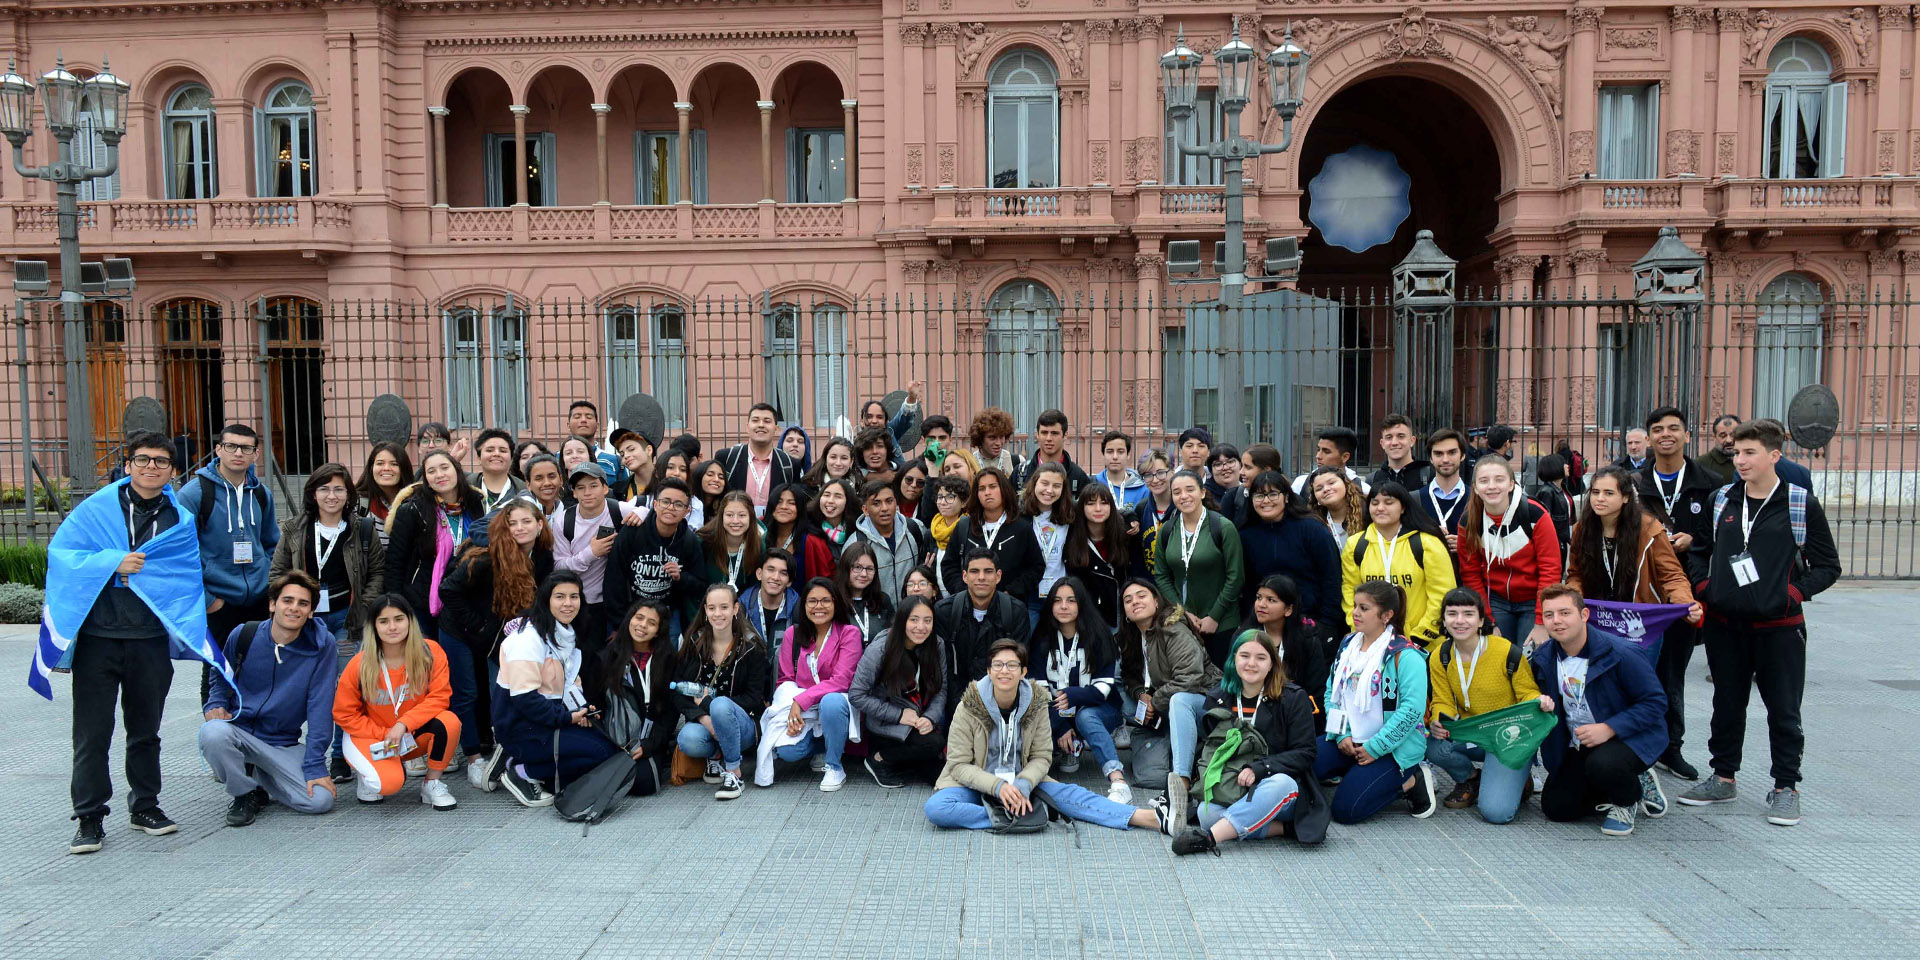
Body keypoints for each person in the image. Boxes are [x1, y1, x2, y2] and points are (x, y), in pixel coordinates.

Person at [44, 432, 217, 853]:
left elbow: (184, 574)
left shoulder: (180, 520)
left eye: (161, 461)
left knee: (146, 731)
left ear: (174, 471)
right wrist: (111, 561)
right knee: (92, 733)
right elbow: (61, 554)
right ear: (127, 465)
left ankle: (145, 806)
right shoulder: (97, 510)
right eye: (142, 459)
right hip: (98, 640)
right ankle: (88, 817)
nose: (150, 467)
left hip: (149, 639)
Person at [1677, 419, 1840, 826]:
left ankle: (1786, 786)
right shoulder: (1721, 500)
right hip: (1725, 625)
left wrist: (1793, 595)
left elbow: (1828, 565)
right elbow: (1698, 550)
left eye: (1750, 453)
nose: (1740, 460)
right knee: (1726, 704)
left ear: (1773, 456)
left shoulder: (1799, 503)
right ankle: (1723, 776)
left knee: (1783, 710)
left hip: (1779, 628)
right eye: (1736, 452)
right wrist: (1705, 585)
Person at [925, 639, 1163, 833]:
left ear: (1023, 671)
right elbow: (958, 765)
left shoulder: (1037, 703)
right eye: (997, 665)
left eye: (1012, 665)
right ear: (988, 671)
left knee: (1073, 795)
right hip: (975, 781)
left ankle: (1148, 817)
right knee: (937, 808)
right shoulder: (968, 706)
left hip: (1022, 780)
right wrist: (997, 787)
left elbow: (1041, 758)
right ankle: (1027, 813)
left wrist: (1022, 784)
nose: (1004, 671)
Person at [268, 463, 386, 782]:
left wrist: (362, 607)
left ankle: (338, 757)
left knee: (344, 689)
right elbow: (277, 573)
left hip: (346, 620)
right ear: (313, 493)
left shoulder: (361, 528)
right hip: (302, 621)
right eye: (324, 489)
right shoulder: (294, 528)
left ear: (348, 494)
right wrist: (290, 605)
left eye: (338, 489)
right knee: (302, 687)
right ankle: (293, 752)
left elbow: (376, 572)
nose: (331, 496)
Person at [1168, 630, 1329, 855]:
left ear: (1272, 663)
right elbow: (1211, 750)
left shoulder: (1293, 697)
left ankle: (1210, 839)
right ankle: (1282, 829)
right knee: (1206, 815)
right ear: (1234, 660)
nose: (1251, 664)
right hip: (1234, 785)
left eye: (1261, 658)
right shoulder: (1219, 697)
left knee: (1283, 784)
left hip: (1277, 785)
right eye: (1244, 656)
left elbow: (1306, 753)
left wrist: (1261, 769)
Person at [199, 571, 339, 825]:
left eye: (303, 603)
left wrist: (315, 764)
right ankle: (245, 792)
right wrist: (216, 704)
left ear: (310, 612)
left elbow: (320, 706)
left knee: (320, 801)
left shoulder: (322, 645)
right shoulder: (244, 634)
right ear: (273, 604)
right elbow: (220, 677)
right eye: (287, 600)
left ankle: (260, 774)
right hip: (239, 733)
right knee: (212, 733)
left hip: (281, 743)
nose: (294, 608)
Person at [1530, 585, 1670, 836]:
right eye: (1549, 615)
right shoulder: (1544, 657)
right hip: (1579, 742)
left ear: (1584, 615)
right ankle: (1621, 783)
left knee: (1604, 764)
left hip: (1627, 738)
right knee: (1557, 808)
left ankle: (1627, 799)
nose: (1556, 621)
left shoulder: (1621, 653)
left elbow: (1655, 703)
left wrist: (1609, 728)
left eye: (1564, 613)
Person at [1633, 406, 1724, 780]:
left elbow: (1727, 536)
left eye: (1673, 428)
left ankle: (1671, 748)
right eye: (1657, 429)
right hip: (1639, 597)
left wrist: (1696, 540)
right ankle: (1638, 745)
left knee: (1672, 674)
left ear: (1688, 436)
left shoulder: (1711, 483)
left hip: (1686, 595)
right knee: (1637, 672)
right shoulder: (1635, 483)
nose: (1665, 435)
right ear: (1650, 438)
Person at [440, 499, 555, 769]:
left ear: (540, 524)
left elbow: (538, 598)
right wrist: (477, 625)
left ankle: (509, 748)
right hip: (459, 628)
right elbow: (448, 590)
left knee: (503, 690)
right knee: (466, 693)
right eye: (512, 523)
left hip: (497, 635)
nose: (519, 528)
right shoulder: (487, 556)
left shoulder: (542, 555)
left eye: (526, 521)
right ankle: (473, 757)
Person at [489, 572, 619, 807]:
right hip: (522, 725)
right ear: (546, 600)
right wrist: (567, 717)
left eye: (574, 596)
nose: (568, 604)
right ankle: (521, 770)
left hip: (544, 720)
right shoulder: (527, 640)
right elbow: (525, 700)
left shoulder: (564, 632)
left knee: (607, 745)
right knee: (600, 754)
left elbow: (567, 683)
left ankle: (519, 758)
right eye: (560, 597)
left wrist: (582, 711)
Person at [1316, 581, 1438, 823]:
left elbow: (1412, 710)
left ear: (1386, 615)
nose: (1355, 613)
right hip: (1350, 739)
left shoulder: (1406, 655)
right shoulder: (1347, 644)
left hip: (1390, 748)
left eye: (1364, 608)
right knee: (1298, 766)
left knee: (1345, 811)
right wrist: (1342, 735)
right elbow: (1332, 692)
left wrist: (1375, 748)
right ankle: (1358, 772)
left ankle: (1412, 781)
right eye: (1355, 606)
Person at [1423, 588, 1548, 824]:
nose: (1460, 621)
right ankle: (1471, 778)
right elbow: (1443, 699)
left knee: (1496, 813)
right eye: (1452, 614)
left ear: (1481, 620)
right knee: (1434, 746)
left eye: (1468, 614)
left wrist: (1538, 700)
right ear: (1444, 620)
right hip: (1474, 732)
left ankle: (1520, 777)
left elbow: (1527, 692)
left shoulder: (1506, 651)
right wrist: (1440, 718)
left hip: (1508, 736)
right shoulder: (1441, 654)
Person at [179, 423, 281, 705]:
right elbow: (181, 552)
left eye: (246, 448)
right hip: (219, 600)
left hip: (259, 598)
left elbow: (272, 543)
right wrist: (209, 599)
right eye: (231, 446)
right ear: (218, 449)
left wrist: (270, 585)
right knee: (216, 669)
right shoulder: (195, 493)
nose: (238, 453)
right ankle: (216, 728)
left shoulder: (261, 494)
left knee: (259, 665)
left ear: (255, 454)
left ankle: (253, 727)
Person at [332, 595, 461, 809]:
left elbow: (439, 697)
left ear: (410, 620)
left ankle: (432, 783)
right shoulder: (359, 664)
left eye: (399, 619)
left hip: (408, 735)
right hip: (372, 737)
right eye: (384, 621)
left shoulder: (430, 652)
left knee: (449, 722)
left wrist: (402, 725)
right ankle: (367, 775)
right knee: (387, 785)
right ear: (373, 626)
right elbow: (343, 714)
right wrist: (383, 734)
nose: (392, 627)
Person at [1116, 578, 1218, 832]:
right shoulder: (1132, 637)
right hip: (1163, 704)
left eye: (1141, 596)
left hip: (1203, 701)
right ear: (1126, 614)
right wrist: (1141, 694)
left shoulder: (1172, 628)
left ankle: (1181, 784)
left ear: (1156, 600)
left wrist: (1156, 700)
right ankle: (1169, 750)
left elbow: (1190, 677)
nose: (1135, 602)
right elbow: (1130, 676)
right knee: (1148, 777)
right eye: (1128, 600)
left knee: (1179, 700)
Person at [1030, 578, 1130, 803]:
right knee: (1035, 710)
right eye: (1057, 601)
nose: (1063, 606)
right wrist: (1061, 724)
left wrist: (1072, 696)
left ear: (1082, 603)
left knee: (1086, 716)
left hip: (1098, 708)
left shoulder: (1099, 635)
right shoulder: (1041, 638)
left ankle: (1118, 781)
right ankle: (1066, 748)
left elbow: (1103, 689)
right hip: (1056, 711)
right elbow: (1039, 691)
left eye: (1071, 600)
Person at [760, 578, 863, 790]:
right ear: (804, 604)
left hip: (836, 703)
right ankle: (822, 748)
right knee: (788, 753)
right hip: (804, 709)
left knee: (831, 702)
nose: (819, 606)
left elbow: (841, 681)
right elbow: (785, 679)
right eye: (812, 601)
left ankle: (834, 766)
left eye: (826, 600)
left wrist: (802, 700)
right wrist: (791, 707)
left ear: (836, 603)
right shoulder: (793, 635)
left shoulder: (849, 633)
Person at [1565, 466, 1701, 625]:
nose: (1600, 498)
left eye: (1609, 493)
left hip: (1640, 621)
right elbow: (1575, 574)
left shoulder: (1650, 529)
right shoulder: (1581, 529)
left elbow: (1671, 575)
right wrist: (1573, 598)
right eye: (1595, 492)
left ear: (1626, 497)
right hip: (1598, 618)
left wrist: (1685, 603)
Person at [673, 583, 770, 800]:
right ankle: (716, 755)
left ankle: (734, 771)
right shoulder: (694, 642)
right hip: (707, 723)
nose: (718, 614)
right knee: (688, 739)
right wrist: (703, 718)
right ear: (705, 611)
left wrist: (709, 705)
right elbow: (678, 690)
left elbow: (755, 699)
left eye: (724, 607)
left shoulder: (751, 647)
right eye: (712, 608)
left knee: (720, 704)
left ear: (736, 609)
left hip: (742, 726)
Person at [1458, 454, 1562, 647]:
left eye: (1499, 480)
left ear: (1511, 484)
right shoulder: (1468, 522)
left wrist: (1541, 620)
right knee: (1499, 659)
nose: (1491, 486)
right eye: (1484, 481)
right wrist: (1487, 619)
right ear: (1475, 488)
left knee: (1529, 660)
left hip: (1533, 601)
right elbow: (1470, 574)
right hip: (1495, 601)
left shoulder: (1535, 514)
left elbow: (1550, 569)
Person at [383, 448, 484, 642]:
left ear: (456, 470)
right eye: (431, 471)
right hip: (422, 600)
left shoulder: (475, 504)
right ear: (425, 478)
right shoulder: (412, 509)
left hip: (466, 597)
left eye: (444, 467)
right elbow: (395, 562)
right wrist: (395, 605)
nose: (439, 475)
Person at [1341, 482, 1456, 647]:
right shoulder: (1355, 545)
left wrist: (1419, 637)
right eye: (1375, 503)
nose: (1380, 508)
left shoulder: (1427, 543)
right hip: (1372, 642)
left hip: (1422, 645)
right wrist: (1361, 629)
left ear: (1403, 507)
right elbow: (1350, 593)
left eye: (1389, 502)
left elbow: (1442, 594)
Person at [851, 596, 949, 788]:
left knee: (941, 778)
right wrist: (899, 715)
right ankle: (878, 758)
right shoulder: (881, 649)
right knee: (933, 744)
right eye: (914, 619)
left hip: (920, 721)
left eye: (927, 620)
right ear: (902, 619)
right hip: (888, 724)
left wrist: (930, 718)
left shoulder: (936, 644)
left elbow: (941, 688)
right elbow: (857, 694)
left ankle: (904, 763)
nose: (921, 627)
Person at [583, 601, 678, 797]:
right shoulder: (606, 657)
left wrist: (650, 744)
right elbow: (596, 704)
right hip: (614, 737)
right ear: (629, 620)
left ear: (659, 631)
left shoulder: (668, 659)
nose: (642, 625)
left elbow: (670, 712)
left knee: (645, 783)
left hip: (647, 738)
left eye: (652, 623)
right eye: (639, 618)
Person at [1155, 469, 1245, 665]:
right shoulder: (1167, 530)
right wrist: (1183, 612)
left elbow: (1235, 576)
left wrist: (1214, 616)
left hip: (1222, 622)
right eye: (1177, 492)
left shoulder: (1222, 527)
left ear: (1202, 492)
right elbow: (1161, 575)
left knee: (1221, 683)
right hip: (1184, 622)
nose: (1184, 496)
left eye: (1190, 490)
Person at [1238, 471, 1341, 635]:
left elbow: (1332, 578)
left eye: (1273, 494)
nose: (1266, 501)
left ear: (1286, 497)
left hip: (1310, 624)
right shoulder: (1246, 536)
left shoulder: (1312, 529)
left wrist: (1327, 625)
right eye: (1259, 495)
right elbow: (1247, 585)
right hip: (1263, 627)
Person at [604, 477, 709, 635]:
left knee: (667, 657)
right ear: (655, 504)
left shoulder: (689, 541)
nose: (671, 508)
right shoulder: (633, 531)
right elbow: (614, 577)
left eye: (678, 504)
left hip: (666, 613)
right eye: (665, 501)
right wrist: (618, 624)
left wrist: (681, 577)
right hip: (631, 610)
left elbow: (701, 584)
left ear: (687, 511)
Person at [549, 463, 639, 634]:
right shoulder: (563, 521)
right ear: (574, 493)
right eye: (580, 488)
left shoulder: (618, 509)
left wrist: (641, 513)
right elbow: (558, 567)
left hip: (616, 601)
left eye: (593, 486)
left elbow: (650, 513)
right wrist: (591, 553)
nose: (587, 492)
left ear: (605, 488)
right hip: (581, 602)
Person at [933, 548, 1033, 690]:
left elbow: (1018, 665)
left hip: (1001, 697)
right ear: (964, 576)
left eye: (988, 571)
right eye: (974, 571)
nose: (981, 577)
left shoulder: (1016, 611)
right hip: (956, 699)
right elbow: (943, 669)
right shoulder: (945, 611)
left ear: (998, 576)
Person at [938, 468, 1042, 602]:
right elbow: (949, 565)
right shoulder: (964, 526)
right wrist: (965, 592)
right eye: (981, 488)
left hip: (1009, 607)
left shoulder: (1021, 528)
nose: (987, 493)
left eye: (993, 487)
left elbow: (1035, 567)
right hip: (969, 606)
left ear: (1004, 489)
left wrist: (1011, 592)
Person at [1249, 574, 1330, 732]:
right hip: (1251, 716)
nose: (1261, 604)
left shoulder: (1307, 642)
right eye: (1259, 598)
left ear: (1288, 609)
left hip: (1296, 719)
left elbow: (1316, 692)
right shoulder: (1245, 638)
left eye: (1271, 600)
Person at [852, 479, 932, 604]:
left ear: (896, 503)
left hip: (913, 612)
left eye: (889, 501)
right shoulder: (855, 543)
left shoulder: (915, 529)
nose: (884, 508)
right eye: (876, 503)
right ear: (865, 510)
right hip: (877, 616)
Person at [1063, 483, 1132, 628]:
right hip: (1086, 616)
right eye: (1091, 503)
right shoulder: (1071, 537)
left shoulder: (1124, 534)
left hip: (1119, 612)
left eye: (1104, 503)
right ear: (1081, 507)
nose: (1098, 509)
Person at [716, 403, 804, 514]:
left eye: (767, 421)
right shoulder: (727, 458)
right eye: (755, 420)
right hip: (735, 525)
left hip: (773, 528)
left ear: (776, 429)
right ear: (747, 427)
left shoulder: (789, 464)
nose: (761, 425)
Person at [1022, 461, 1077, 626]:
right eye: (1044, 483)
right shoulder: (1020, 514)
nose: (1049, 490)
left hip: (1062, 594)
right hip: (1031, 593)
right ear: (1035, 483)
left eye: (1056, 486)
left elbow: (1106, 510)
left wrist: (1131, 518)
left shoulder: (1072, 514)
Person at [1411, 428, 1469, 551]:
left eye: (1452, 452)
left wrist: (1467, 544)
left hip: (1464, 569)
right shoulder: (1414, 499)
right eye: (1438, 454)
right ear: (1431, 458)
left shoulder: (1477, 499)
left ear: (1463, 455)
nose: (1445, 459)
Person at [698, 490, 765, 595]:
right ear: (721, 516)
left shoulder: (758, 545)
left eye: (742, 515)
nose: (735, 521)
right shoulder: (704, 542)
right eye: (729, 515)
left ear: (751, 517)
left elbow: (755, 588)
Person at [764, 482, 831, 585]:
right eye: (779, 501)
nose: (784, 507)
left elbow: (826, 580)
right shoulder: (760, 534)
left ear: (800, 508)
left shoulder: (813, 542)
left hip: (802, 599)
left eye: (791, 503)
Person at [1015, 408, 1090, 494]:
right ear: (1037, 435)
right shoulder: (1020, 473)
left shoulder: (1078, 476)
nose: (1049, 438)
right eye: (1044, 433)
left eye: (1054, 433)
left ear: (1065, 435)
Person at [836, 541, 895, 647]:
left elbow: (893, 638)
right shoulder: (834, 601)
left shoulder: (882, 600)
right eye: (857, 567)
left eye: (869, 569)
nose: (864, 574)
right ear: (845, 568)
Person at [741, 547, 800, 652]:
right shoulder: (742, 607)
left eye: (783, 573)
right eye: (771, 570)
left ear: (790, 581)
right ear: (759, 574)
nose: (776, 577)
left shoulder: (799, 610)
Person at [356, 441, 413, 544]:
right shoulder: (358, 504)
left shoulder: (415, 504)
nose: (386, 468)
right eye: (380, 463)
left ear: (404, 469)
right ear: (371, 468)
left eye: (394, 464)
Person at [858, 381, 924, 467]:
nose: (874, 421)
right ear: (861, 422)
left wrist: (911, 398)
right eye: (869, 416)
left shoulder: (890, 432)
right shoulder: (855, 445)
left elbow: (904, 416)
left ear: (886, 422)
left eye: (879, 417)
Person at [1132, 450, 1177, 577]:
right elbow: (1137, 555)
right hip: (1149, 587)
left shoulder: (1182, 508)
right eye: (1148, 475)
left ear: (1172, 472)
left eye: (1161, 473)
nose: (1155, 480)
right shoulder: (1141, 508)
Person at [1292, 426, 1370, 495]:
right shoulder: (1301, 484)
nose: (1318, 456)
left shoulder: (1363, 489)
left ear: (1345, 457)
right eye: (1318, 450)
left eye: (1326, 451)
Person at [468, 428, 527, 516]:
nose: (496, 454)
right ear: (479, 458)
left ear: (511, 459)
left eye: (503, 451)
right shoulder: (466, 488)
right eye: (489, 450)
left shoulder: (523, 491)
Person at [1307, 466, 1367, 551]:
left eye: (1331, 483)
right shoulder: (1313, 523)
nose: (1326, 489)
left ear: (1345, 484)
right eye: (1319, 489)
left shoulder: (1367, 513)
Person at [1368, 414, 1430, 491]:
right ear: (1382, 443)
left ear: (1412, 441)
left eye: (1401, 436)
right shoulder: (1372, 480)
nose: (1394, 443)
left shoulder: (1429, 476)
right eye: (1389, 437)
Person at [926, 475, 969, 582]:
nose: (943, 502)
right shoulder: (932, 531)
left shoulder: (969, 529)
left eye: (950, 497)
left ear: (963, 502)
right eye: (940, 497)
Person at [1531, 454, 1577, 555]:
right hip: (1554, 541)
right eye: (1563, 464)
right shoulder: (1547, 492)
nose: (1567, 466)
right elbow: (1544, 520)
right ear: (1555, 467)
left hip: (1563, 539)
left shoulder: (1562, 488)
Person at [808, 476, 860, 563]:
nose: (830, 500)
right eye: (826, 495)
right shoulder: (808, 528)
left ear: (848, 501)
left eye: (838, 496)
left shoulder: (857, 532)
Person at [1097, 430, 1150, 513]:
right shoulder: (1094, 484)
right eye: (1110, 451)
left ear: (1128, 455)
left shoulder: (1143, 490)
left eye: (1120, 452)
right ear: (1103, 454)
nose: (1115, 457)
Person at [607, 428, 656, 504]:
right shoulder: (615, 491)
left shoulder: (670, 483)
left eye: (631, 449)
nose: (626, 456)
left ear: (648, 450)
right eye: (622, 454)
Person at [969, 407, 1018, 477]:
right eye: (992, 438)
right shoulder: (970, 463)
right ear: (980, 438)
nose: (998, 443)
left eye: (1001, 437)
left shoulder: (1016, 461)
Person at [1205, 445, 1248, 525]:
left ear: (1240, 464)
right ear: (1211, 471)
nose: (1225, 468)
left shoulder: (1250, 489)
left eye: (1230, 462)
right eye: (1218, 464)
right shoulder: (1204, 495)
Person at [690, 459, 727, 529]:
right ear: (699, 477)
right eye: (710, 475)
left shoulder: (726, 507)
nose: (716, 479)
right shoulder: (689, 505)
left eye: (721, 477)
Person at [1700, 414, 1740, 480]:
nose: (1729, 440)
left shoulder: (1749, 461)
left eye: (1733, 435)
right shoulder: (1701, 464)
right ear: (1714, 437)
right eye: (1723, 435)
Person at [894, 458, 931, 522]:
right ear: (900, 480)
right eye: (909, 480)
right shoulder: (887, 503)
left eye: (920, 483)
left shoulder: (929, 509)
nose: (913, 485)